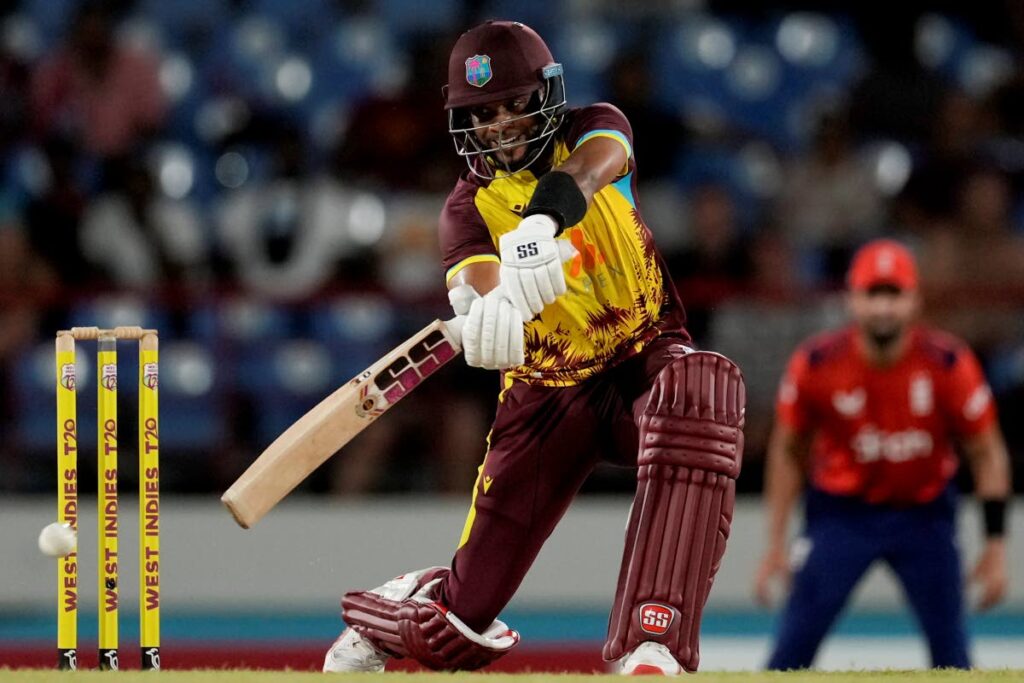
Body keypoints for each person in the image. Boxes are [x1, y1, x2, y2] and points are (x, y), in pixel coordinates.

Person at [323, 21, 746, 675]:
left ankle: (650, 642)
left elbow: (590, 168)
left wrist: (543, 223)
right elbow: (474, 282)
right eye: (482, 113)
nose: (499, 125)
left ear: (545, 97)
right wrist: (491, 311)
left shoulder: (594, 126)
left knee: (702, 390)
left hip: (645, 356)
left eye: (514, 104)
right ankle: (396, 608)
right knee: (457, 629)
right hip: (547, 398)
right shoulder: (466, 209)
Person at [753, 239, 1011, 670]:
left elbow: (987, 452)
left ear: (915, 301)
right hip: (841, 515)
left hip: (924, 514)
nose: (883, 308)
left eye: (894, 294)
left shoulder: (948, 364)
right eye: (874, 294)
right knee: (791, 652)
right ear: (852, 299)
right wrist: (775, 543)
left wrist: (996, 547)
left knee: (953, 658)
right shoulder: (816, 363)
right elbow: (787, 451)